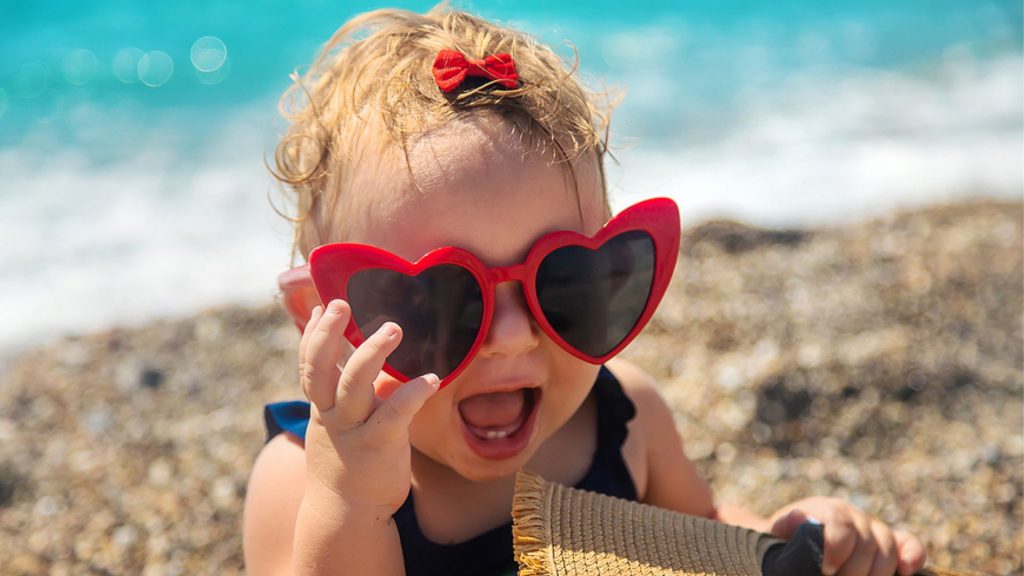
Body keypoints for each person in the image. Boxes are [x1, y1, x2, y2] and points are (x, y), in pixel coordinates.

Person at [242, 5, 927, 576]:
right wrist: (352, 505)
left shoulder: (625, 419)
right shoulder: (303, 482)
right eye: (441, 303)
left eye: (563, 280)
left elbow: (704, 537)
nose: (513, 335)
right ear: (320, 322)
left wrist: (801, 537)